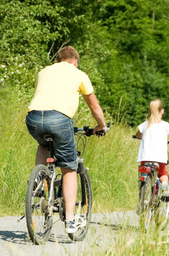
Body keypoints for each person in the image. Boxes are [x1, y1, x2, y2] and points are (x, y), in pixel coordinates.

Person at [26, 46, 106, 233]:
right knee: (69, 167)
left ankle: (39, 182)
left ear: (58, 60)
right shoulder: (79, 74)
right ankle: (70, 220)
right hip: (60, 119)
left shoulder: (44, 71)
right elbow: (94, 106)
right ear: (76, 61)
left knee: (43, 144)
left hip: (33, 118)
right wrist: (101, 126)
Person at [135, 99, 169, 197]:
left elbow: (138, 135)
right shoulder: (165, 125)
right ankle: (164, 187)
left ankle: (142, 199)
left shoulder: (144, 125)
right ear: (162, 111)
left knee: (143, 173)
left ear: (149, 111)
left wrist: (138, 136)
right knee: (162, 174)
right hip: (159, 159)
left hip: (145, 158)